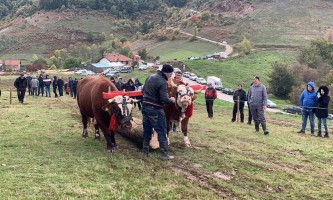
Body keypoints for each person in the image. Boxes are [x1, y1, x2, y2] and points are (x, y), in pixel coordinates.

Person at [141, 64, 176, 160]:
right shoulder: (162, 82)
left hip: (145, 107)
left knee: (147, 131)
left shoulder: (150, 77)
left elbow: (143, 91)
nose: (170, 76)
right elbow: (164, 99)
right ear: (168, 74)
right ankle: (164, 155)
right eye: (171, 74)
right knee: (161, 131)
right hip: (155, 109)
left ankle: (145, 152)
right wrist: (172, 100)